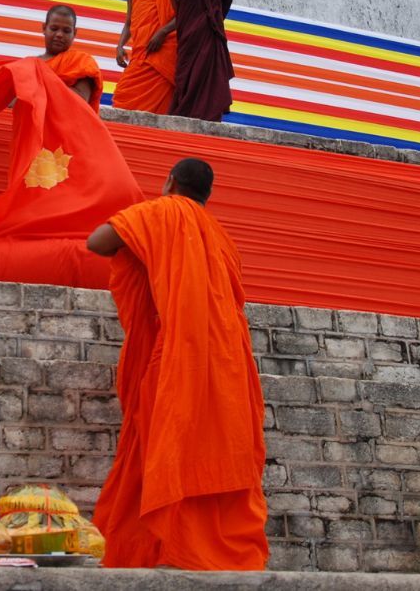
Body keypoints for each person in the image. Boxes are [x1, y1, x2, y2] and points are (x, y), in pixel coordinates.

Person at [86, 157, 268, 570]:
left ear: (169, 182)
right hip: (228, 366)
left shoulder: (159, 212)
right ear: (208, 195)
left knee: (163, 447)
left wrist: (144, 242)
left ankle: (158, 547)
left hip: (176, 360)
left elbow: (96, 242)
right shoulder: (222, 237)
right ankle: (215, 553)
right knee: (215, 451)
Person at [112, 0, 177, 114]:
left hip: (161, 56)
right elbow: (128, 23)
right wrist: (119, 46)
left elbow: (182, 17)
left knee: (159, 108)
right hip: (140, 55)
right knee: (122, 96)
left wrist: (162, 32)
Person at [37, 4, 102, 108]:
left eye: (66, 31)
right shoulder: (29, 65)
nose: (59, 35)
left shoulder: (82, 62)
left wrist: (36, 90)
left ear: (74, 33)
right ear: (44, 28)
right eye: (54, 29)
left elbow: (79, 100)